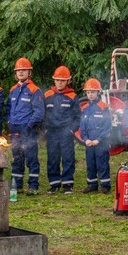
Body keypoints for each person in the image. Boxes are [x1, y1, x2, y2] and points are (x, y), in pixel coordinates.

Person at [6, 57, 44, 195]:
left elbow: (39, 112)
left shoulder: (35, 90)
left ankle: (33, 186)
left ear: (29, 72)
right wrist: (9, 122)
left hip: (28, 130)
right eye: (19, 70)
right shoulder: (13, 90)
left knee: (31, 158)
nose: (21, 73)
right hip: (15, 130)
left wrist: (29, 126)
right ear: (16, 73)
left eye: (24, 70)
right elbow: (8, 108)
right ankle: (17, 185)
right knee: (17, 158)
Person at [44, 66, 80, 194]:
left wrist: (71, 130)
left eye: (62, 80)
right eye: (57, 80)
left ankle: (67, 184)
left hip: (66, 132)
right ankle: (54, 184)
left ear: (68, 81)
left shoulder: (73, 96)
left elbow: (77, 117)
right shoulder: (47, 95)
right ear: (54, 80)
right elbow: (42, 114)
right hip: (52, 132)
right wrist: (45, 130)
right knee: (52, 158)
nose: (60, 82)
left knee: (68, 157)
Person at [80, 78, 111, 194]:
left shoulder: (104, 107)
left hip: (101, 143)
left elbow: (107, 126)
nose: (90, 94)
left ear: (98, 92)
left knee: (102, 163)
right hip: (89, 143)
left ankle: (105, 185)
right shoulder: (84, 108)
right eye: (88, 92)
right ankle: (92, 184)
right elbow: (82, 127)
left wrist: (99, 140)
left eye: (93, 92)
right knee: (90, 163)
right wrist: (86, 139)